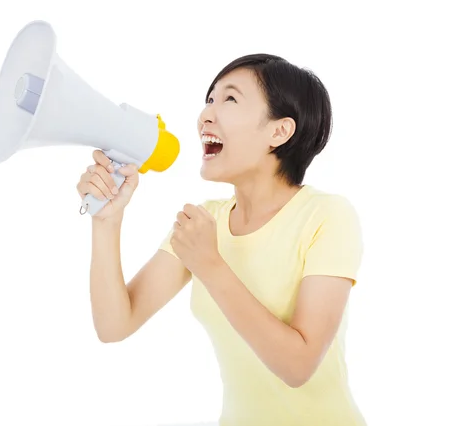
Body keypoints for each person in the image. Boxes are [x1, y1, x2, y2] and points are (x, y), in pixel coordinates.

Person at [76, 54, 365, 426]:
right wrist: (106, 221)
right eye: (209, 99)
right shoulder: (206, 220)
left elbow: (298, 366)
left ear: (279, 132)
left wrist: (210, 265)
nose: (205, 115)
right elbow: (115, 325)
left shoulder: (327, 216)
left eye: (229, 99)